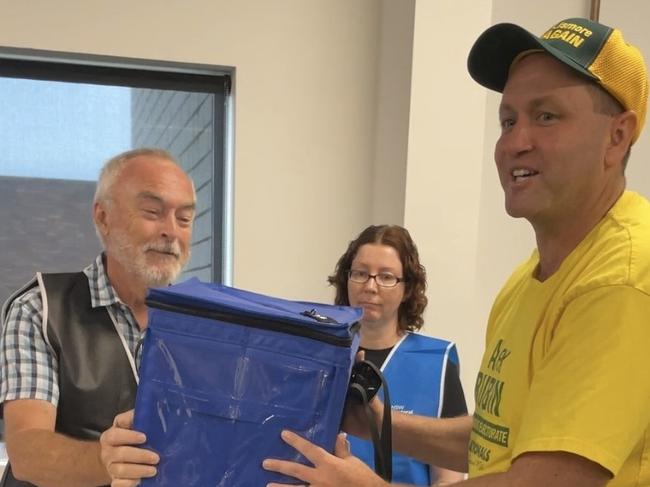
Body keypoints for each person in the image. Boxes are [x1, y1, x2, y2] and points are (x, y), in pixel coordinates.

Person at [262, 16, 650, 487]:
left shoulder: (622, 280)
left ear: (618, 136)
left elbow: (550, 479)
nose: (514, 143)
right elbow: (495, 438)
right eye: (508, 120)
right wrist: (371, 421)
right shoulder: (531, 276)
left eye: (547, 116)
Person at [0, 148, 195, 487]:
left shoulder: (204, 326)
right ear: (103, 218)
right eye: (153, 211)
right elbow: (26, 452)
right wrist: (107, 462)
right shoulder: (40, 310)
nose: (171, 232)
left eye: (185, 219)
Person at [328, 224, 467, 485]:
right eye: (360, 273)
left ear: (408, 288)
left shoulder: (437, 363)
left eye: (386, 277)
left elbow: (448, 479)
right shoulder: (322, 357)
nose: (370, 286)